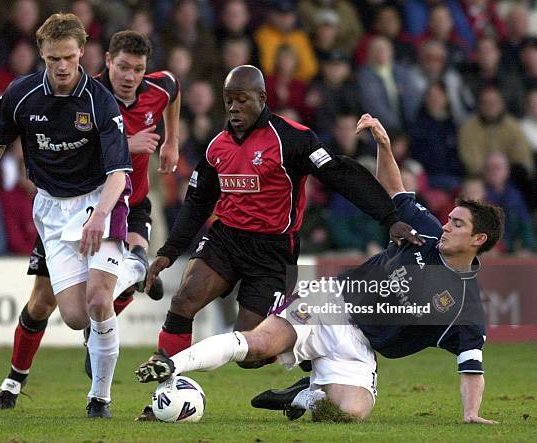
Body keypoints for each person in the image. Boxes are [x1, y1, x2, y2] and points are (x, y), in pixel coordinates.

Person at [136, 113, 504, 425]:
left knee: (351, 413)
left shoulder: (464, 307)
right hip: (330, 303)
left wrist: (471, 413)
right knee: (258, 345)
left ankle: (304, 394)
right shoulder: (425, 231)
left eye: (457, 224)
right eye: (449, 219)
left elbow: (472, 364)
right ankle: (173, 365)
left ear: (478, 240)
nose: (446, 226)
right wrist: (384, 146)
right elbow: (395, 191)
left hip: (362, 346)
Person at [137, 65, 422, 420]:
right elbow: (197, 203)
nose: (234, 108)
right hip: (226, 238)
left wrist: (389, 218)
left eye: (242, 100)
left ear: (262, 98)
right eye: (229, 101)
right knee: (183, 301)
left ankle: (305, 365)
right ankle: (161, 397)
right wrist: (167, 253)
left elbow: (340, 174)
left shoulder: (293, 139)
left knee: (250, 352)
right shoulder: (217, 146)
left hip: (273, 251)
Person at [0, 30, 181, 409]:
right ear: (106, 62)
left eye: (138, 69)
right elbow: (76, 148)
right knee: (44, 303)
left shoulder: (159, 88)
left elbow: (173, 91)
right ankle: (16, 378)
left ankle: (99, 352)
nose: (130, 76)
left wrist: (172, 139)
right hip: (67, 206)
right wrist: (130, 143)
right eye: (123, 66)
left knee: (99, 297)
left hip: (125, 201)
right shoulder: (90, 97)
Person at [0, 13, 132, 418]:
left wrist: (99, 215)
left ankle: (99, 399)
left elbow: (118, 174)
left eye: (70, 57)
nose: (62, 66)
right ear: (42, 54)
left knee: (98, 299)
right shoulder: (21, 94)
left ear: (82, 53)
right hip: (52, 209)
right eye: (53, 58)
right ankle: (129, 274)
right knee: (73, 317)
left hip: (97, 199)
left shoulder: (99, 101)